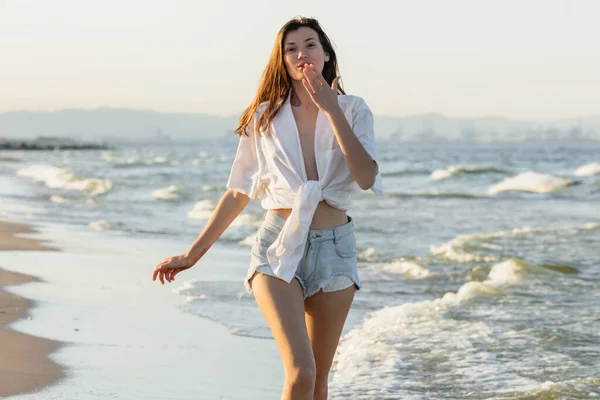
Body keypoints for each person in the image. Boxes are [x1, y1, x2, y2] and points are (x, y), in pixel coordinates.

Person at [152, 16, 383, 400]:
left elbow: (366, 177)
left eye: (309, 45)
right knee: (301, 372)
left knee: (319, 382)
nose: (301, 54)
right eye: (290, 49)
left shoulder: (354, 109)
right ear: (282, 60)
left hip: (336, 251)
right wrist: (193, 254)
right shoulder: (264, 116)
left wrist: (331, 108)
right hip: (276, 247)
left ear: (325, 54)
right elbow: (238, 192)